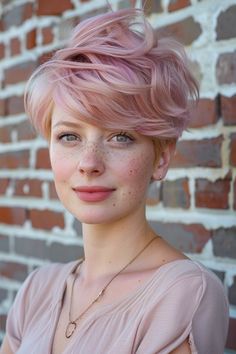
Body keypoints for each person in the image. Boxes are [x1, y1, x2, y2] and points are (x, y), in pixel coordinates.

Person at [0, 8, 229, 354]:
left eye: (120, 137)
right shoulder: (36, 291)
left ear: (162, 157)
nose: (89, 163)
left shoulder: (183, 297)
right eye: (69, 137)